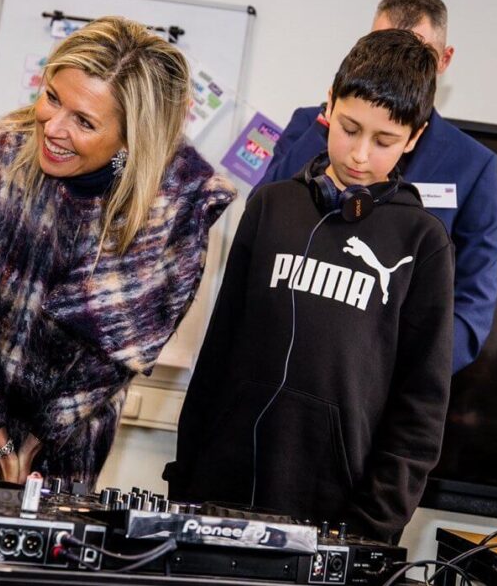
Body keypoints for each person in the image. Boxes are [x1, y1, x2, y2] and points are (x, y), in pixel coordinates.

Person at [0, 16, 236, 488]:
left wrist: (36, 441)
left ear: (131, 139)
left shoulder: (176, 203)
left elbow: (117, 352)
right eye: (52, 97)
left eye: (84, 121)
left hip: (65, 451)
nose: (53, 128)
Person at [166, 29, 454, 542]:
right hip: (220, 491)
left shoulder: (423, 241)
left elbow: (421, 406)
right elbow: (218, 351)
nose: (360, 154)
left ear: (414, 137)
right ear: (329, 104)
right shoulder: (270, 206)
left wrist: (373, 528)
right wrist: (187, 480)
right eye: (348, 128)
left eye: (384, 140)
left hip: (337, 515)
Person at [256, 0, 497, 374]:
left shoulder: (473, 166)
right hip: (288, 356)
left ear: (444, 60)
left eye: (417, 50)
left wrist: (408, 369)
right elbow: (261, 220)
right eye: (382, 45)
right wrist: (331, 121)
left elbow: (473, 301)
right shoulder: (311, 125)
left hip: (394, 377)